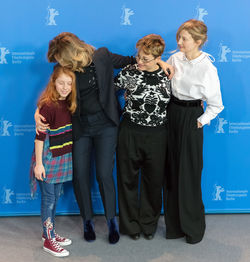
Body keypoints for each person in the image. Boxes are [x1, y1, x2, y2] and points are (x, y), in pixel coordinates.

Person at [35, 32, 174, 244]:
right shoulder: (62, 70)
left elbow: (133, 60)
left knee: (104, 174)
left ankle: (111, 222)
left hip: (106, 126)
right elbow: (53, 94)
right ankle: (87, 222)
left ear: (73, 53)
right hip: (80, 128)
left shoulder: (102, 56)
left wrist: (161, 62)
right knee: (80, 175)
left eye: (63, 59)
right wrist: (39, 112)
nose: (61, 64)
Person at [163, 19, 224, 244]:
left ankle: (193, 228)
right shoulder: (174, 58)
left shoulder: (207, 67)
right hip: (171, 113)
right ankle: (175, 227)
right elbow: (165, 81)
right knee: (171, 171)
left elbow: (216, 104)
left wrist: (201, 121)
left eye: (185, 39)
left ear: (199, 42)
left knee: (189, 173)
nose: (179, 42)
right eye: (179, 37)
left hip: (191, 118)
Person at [115, 34, 171, 240]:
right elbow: (108, 92)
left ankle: (149, 225)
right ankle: (130, 226)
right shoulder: (129, 72)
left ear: (158, 57)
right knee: (126, 180)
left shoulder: (169, 73)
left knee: (154, 181)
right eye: (139, 56)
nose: (140, 61)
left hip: (158, 134)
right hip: (130, 132)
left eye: (145, 59)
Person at [30, 65, 76, 257]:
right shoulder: (48, 106)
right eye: (61, 83)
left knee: (55, 197)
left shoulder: (68, 103)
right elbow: (39, 138)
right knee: (49, 200)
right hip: (48, 159)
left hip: (63, 157)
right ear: (53, 83)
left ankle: (48, 232)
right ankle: (49, 241)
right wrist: (39, 164)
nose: (65, 87)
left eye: (69, 83)